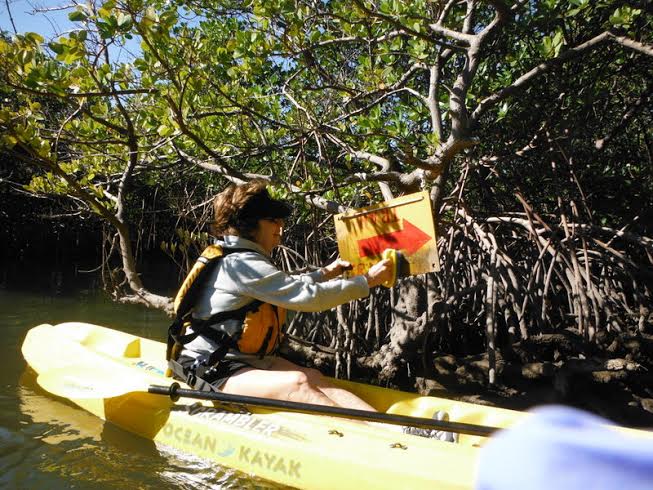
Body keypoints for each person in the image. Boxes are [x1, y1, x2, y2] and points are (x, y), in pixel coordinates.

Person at [170, 179, 394, 411]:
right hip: (212, 367)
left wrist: (324, 274)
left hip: (245, 361)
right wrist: (367, 281)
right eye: (273, 220)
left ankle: (393, 430)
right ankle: (376, 437)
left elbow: (284, 287)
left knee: (313, 375)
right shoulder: (242, 264)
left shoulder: (242, 257)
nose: (281, 226)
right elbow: (307, 298)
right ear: (251, 224)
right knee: (299, 382)